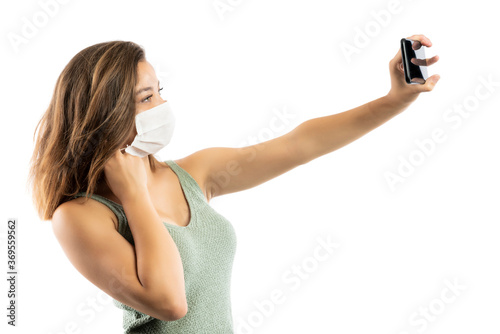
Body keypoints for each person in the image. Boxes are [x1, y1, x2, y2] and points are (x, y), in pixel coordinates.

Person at [27, 34, 439, 333]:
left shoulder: (193, 173)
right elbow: (169, 302)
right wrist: (134, 194)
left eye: (160, 92)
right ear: (108, 112)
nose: (162, 106)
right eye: (147, 97)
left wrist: (394, 100)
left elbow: (300, 144)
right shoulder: (79, 217)